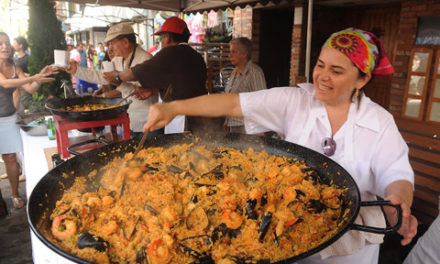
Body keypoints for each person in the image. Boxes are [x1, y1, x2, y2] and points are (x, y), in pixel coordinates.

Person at [141, 28, 418, 264]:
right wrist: (175, 107)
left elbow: (397, 175)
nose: (322, 76)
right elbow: (232, 103)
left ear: (363, 78)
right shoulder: (296, 101)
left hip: (352, 247)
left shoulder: (379, 122)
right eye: (320, 65)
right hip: (291, 238)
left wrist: (400, 202)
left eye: (336, 71)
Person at [104, 16, 212, 133]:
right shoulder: (196, 56)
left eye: (161, 38)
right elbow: (180, 85)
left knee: (181, 149)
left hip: (183, 118)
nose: (161, 42)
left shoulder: (170, 52)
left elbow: (137, 72)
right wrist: (153, 91)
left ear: (168, 37)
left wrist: (117, 76)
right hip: (201, 116)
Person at [63, 23, 157, 136]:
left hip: (149, 122)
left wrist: (118, 83)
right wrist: (76, 71)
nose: (109, 47)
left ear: (126, 42)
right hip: (131, 120)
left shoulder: (145, 59)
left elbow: (140, 92)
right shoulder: (118, 59)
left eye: (112, 43)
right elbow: (100, 76)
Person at [0, 32, 56, 209]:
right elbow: (5, 83)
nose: (5, 47)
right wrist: (33, 77)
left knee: (10, 157)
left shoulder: (14, 66)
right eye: (1, 44)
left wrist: (40, 75)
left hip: (8, 117)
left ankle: (15, 194)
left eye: (7, 43)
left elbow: (31, 88)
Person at [224, 37, 266, 133]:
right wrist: (227, 121)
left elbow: (261, 101)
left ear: (244, 54)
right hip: (232, 125)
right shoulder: (234, 72)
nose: (230, 55)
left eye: (234, 52)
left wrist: (260, 129)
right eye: (230, 52)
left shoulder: (255, 72)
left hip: (247, 127)